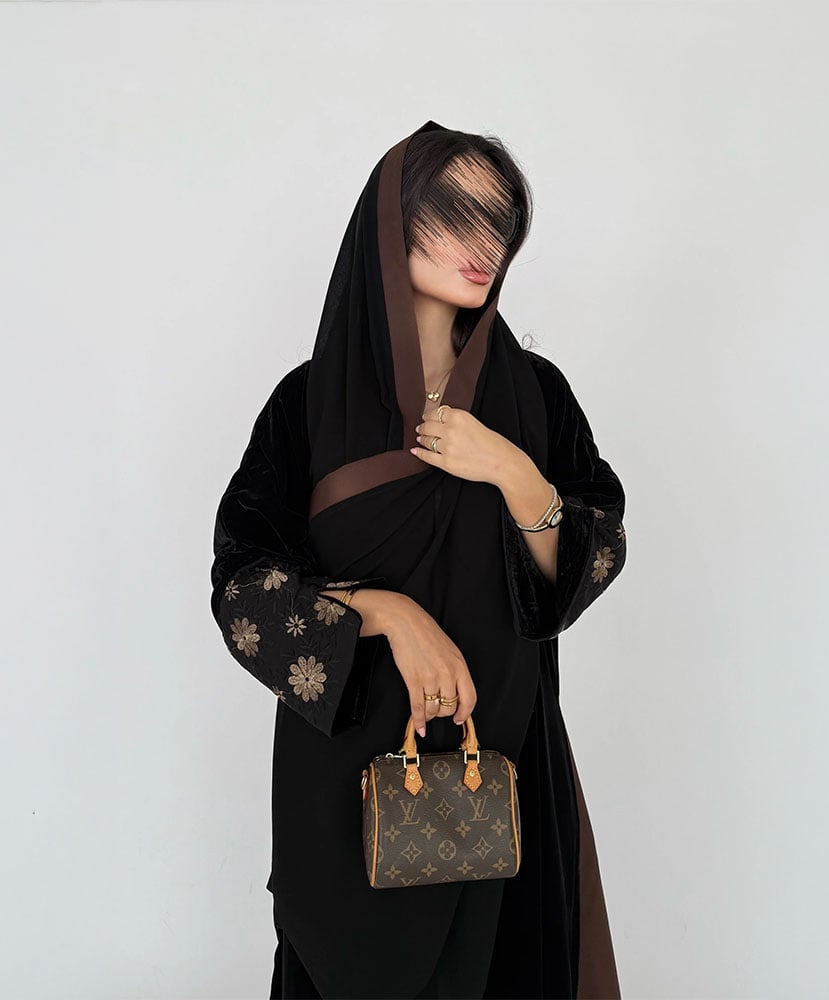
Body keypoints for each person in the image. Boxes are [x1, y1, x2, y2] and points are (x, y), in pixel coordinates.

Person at [209, 120, 628, 999]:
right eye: (455, 212)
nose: (486, 242)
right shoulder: (307, 405)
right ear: (388, 220)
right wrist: (390, 614)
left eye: (501, 220)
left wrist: (511, 471)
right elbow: (244, 591)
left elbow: (591, 556)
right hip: (344, 790)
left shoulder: (537, 397)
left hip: (503, 767)